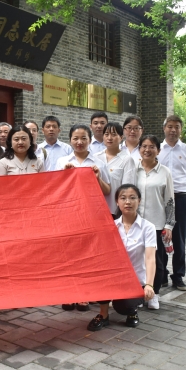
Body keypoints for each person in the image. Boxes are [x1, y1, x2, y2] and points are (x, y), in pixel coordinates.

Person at [55, 124, 110, 312]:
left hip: (90, 215)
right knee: (69, 255)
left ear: (90, 140)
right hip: (68, 216)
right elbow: (54, 189)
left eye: (83, 138)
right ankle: (69, 294)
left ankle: (85, 294)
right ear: (70, 140)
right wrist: (65, 175)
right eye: (75, 138)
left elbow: (107, 191)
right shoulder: (62, 161)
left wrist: (97, 177)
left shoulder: (99, 163)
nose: (79, 142)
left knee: (87, 255)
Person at [87, 184, 156, 331]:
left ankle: (132, 310)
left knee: (123, 306)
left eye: (132, 198)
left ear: (139, 201)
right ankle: (103, 315)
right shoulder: (111, 226)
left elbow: (150, 258)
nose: (128, 202)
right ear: (117, 202)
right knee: (96, 280)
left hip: (135, 281)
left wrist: (149, 284)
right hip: (115, 277)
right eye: (123, 198)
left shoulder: (148, 227)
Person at [158, 115, 186, 291]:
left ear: (181, 129)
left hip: (181, 198)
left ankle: (178, 276)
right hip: (160, 198)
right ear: (164, 128)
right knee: (160, 235)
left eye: (177, 127)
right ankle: (162, 274)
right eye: (170, 126)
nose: (173, 130)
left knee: (179, 237)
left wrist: (184, 189)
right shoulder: (157, 149)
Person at [135, 135, 176, 309]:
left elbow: (170, 200)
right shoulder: (133, 169)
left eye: (152, 146)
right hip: (135, 223)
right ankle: (138, 293)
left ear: (158, 150)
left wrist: (169, 225)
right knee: (136, 260)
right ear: (139, 149)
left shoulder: (165, 172)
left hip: (156, 224)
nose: (147, 150)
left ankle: (154, 293)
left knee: (157, 261)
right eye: (144, 146)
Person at [95, 122, 135, 218]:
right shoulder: (95, 157)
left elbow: (127, 188)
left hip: (115, 211)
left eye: (114, 135)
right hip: (96, 209)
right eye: (106, 134)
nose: (109, 138)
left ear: (121, 137)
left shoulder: (127, 159)